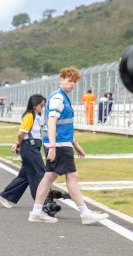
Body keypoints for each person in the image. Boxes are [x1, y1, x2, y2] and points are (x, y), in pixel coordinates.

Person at [29, 67, 108, 225]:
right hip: (58, 145)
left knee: (49, 176)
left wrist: (74, 143)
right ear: (61, 80)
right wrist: (52, 146)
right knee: (72, 176)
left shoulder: (61, 96)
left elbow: (64, 125)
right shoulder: (59, 98)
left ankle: (36, 212)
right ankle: (85, 213)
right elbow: (52, 121)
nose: (72, 84)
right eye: (69, 81)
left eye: (74, 82)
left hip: (60, 143)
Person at [0, 94, 46, 208]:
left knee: (25, 176)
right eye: (41, 105)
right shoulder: (29, 116)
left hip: (32, 147)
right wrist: (18, 144)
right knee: (40, 173)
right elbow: (21, 133)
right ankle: (41, 202)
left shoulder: (36, 116)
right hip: (29, 148)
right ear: (34, 105)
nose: (43, 107)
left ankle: (5, 196)